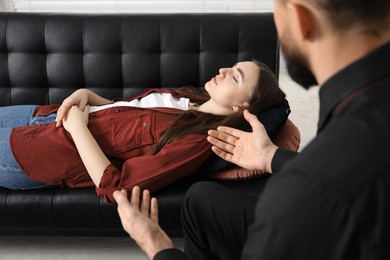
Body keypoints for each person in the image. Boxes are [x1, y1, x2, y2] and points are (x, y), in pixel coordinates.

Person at [113, 0, 390, 259]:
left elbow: (329, 182)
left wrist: (156, 244)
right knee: (201, 199)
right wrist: (270, 156)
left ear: (300, 19)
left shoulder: (303, 193)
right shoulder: (365, 109)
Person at [0, 60, 286, 203]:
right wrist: (87, 94)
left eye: (234, 76)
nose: (223, 70)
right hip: (44, 115)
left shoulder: (197, 142)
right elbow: (122, 112)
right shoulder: (189, 99)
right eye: (232, 66)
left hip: (36, 153)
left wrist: (77, 129)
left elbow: (117, 188)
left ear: (243, 104)